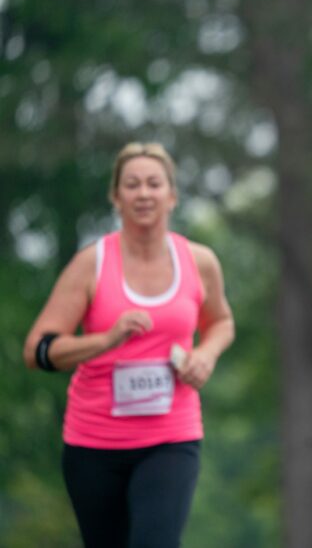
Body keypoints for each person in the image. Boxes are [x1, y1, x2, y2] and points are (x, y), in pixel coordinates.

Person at [23, 142, 235, 548]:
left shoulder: (199, 261)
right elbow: (38, 350)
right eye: (132, 184)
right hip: (93, 444)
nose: (143, 193)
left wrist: (205, 355)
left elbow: (222, 321)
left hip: (171, 438)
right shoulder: (92, 263)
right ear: (115, 197)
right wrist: (105, 340)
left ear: (171, 196)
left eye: (154, 184)